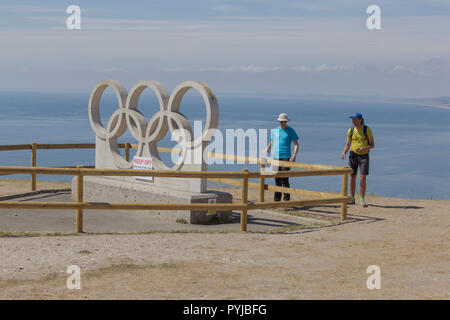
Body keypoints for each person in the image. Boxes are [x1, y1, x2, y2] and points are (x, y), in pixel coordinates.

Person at [340, 112, 375, 207]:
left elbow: (372, 145)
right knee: (352, 177)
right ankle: (352, 198)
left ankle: (362, 199)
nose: (353, 121)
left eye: (355, 119)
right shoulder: (350, 131)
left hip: (364, 156)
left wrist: (364, 148)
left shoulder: (366, 130)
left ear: (360, 120)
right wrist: (344, 153)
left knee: (362, 177)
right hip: (353, 155)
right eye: (352, 120)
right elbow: (348, 144)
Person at [264, 113, 299, 201]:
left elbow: (296, 144)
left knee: (285, 178)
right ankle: (277, 199)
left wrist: (294, 155)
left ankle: (286, 199)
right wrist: (267, 149)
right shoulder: (274, 131)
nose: (283, 123)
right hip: (275, 157)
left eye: (284, 121)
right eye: (281, 121)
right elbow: (272, 141)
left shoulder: (291, 131)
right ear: (279, 121)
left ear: (286, 121)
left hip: (286, 157)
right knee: (277, 179)